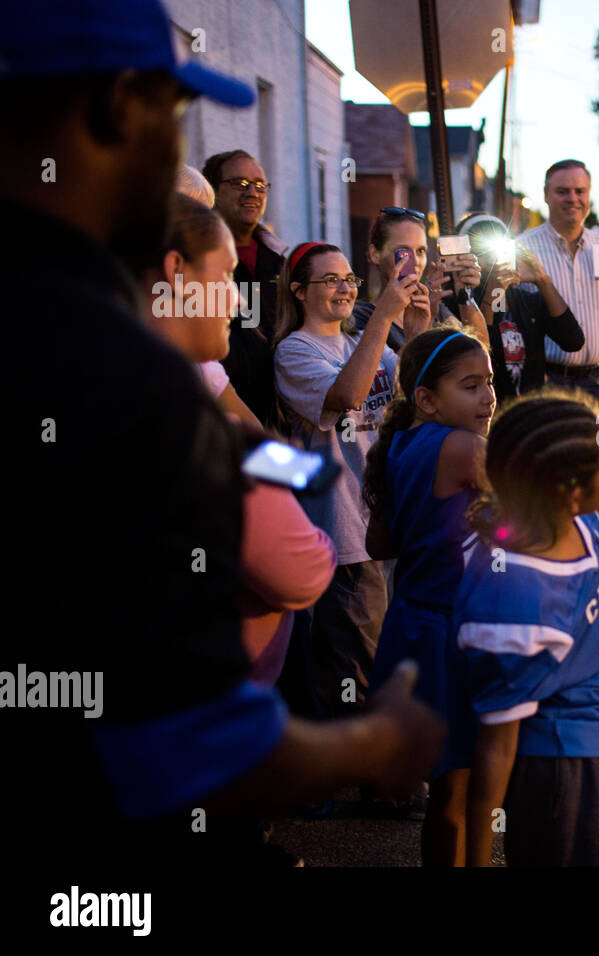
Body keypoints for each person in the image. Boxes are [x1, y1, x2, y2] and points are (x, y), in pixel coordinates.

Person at [3, 0, 441, 872]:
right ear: (118, 105)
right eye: (172, 114)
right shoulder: (119, 370)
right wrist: (383, 738)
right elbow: (192, 744)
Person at [458, 393, 599, 866]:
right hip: (561, 773)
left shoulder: (567, 523)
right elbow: (495, 750)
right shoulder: (515, 601)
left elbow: (593, 570)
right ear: (570, 491)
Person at [147, 193, 338, 685]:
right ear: (177, 272)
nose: (237, 298)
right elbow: (304, 571)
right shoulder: (207, 441)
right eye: (228, 275)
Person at [362, 326, 496, 866]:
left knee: (447, 792)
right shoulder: (465, 447)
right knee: (469, 793)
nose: (488, 396)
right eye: (470, 385)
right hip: (455, 635)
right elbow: (550, 495)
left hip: (411, 626)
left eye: (489, 381)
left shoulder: (398, 444)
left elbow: (379, 541)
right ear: (426, 398)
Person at [274, 242, 418, 718]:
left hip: (390, 526)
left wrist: (416, 326)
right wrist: (382, 317)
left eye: (349, 278)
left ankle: (385, 776)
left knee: (394, 659)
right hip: (346, 533)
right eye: (330, 279)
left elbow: (419, 399)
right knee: (359, 667)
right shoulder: (294, 351)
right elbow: (349, 393)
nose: (344, 286)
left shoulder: (361, 343)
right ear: (298, 291)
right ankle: (364, 783)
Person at [517, 159, 599, 409]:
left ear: (589, 195)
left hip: (593, 385)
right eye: (562, 191)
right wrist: (531, 374)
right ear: (546, 195)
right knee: (547, 449)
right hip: (542, 384)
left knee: (591, 449)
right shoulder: (522, 250)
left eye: (580, 191)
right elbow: (509, 325)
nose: (572, 199)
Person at [458, 212, 585, 404]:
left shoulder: (526, 300)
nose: (491, 260)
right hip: (490, 414)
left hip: (531, 413)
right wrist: (492, 296)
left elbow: (573, 341)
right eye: (482, 253)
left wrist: (542, 279)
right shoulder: (462, 303)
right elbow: (479, 353)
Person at [204, 148, 285, 426]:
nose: (253, 192)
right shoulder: (197, 261)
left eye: (260, 185)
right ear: (213, 191)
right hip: (220, 415)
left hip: (278, 417)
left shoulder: (279, 262)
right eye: (240, 183)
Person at [352, 206, 488, 352]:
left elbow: (480, 354)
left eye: (420, 251)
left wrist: (464, 293)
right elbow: (394, 371)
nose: (415, 261)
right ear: (375, 254)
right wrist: (427, 322)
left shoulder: (433, 306)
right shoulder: (360, 316)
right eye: (403, 252)